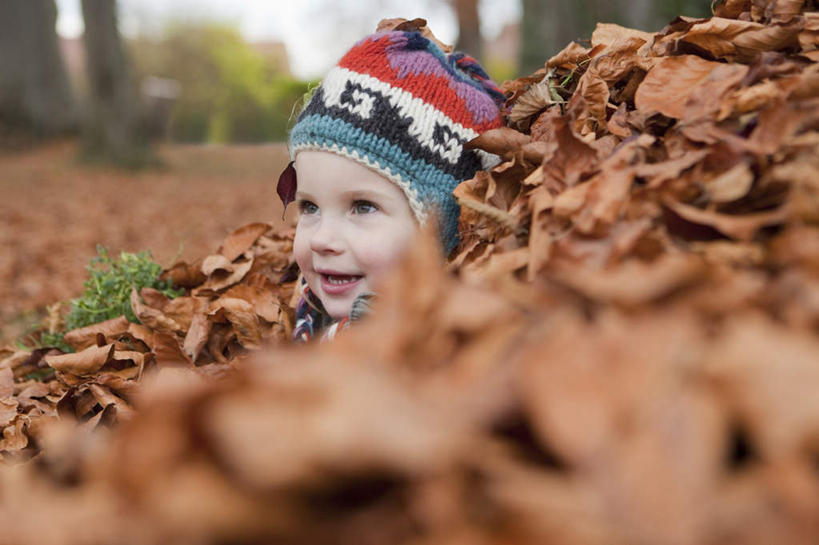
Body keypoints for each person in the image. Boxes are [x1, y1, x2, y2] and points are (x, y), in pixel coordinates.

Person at [277, 26, 506, 342]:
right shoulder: (308, 324)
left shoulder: (435, 352)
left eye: (362, 206)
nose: (321, 239)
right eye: (310, 206)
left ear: (445, 228)